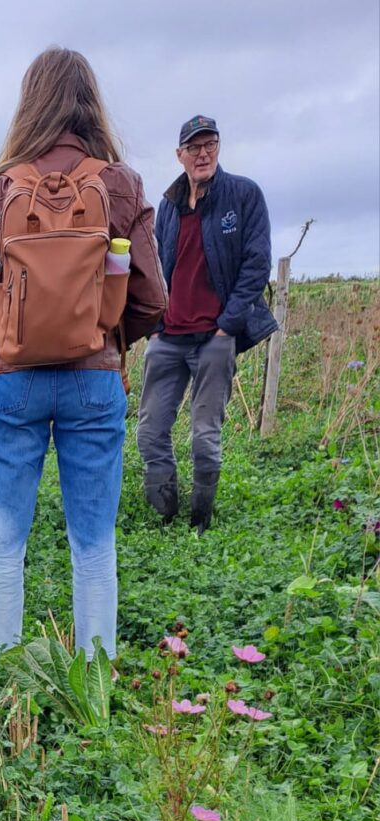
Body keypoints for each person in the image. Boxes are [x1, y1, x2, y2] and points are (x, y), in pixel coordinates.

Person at [0, 47, 167, 660]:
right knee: (93, 544)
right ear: (90, 101)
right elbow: (153, 297)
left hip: (13, 381)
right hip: (94, 379)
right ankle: (95, 693)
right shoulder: (118, 183)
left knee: (2, 542)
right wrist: (110, 341)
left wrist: (1, 350)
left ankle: (1, 682)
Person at [136, 116, 278, 532]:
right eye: (194, 147)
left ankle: (200, 521)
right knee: (149, 431)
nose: (203, 154)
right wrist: (155, 323)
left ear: (218, 147)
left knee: (204, 436)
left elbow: (257, 264)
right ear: (179, 155)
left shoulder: (243, 195)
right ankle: (163, 515)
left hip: (214, 337)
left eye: (210, 144)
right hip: (168, 336)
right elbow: (159, 267)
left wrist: (227, 325)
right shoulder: (168, 205)